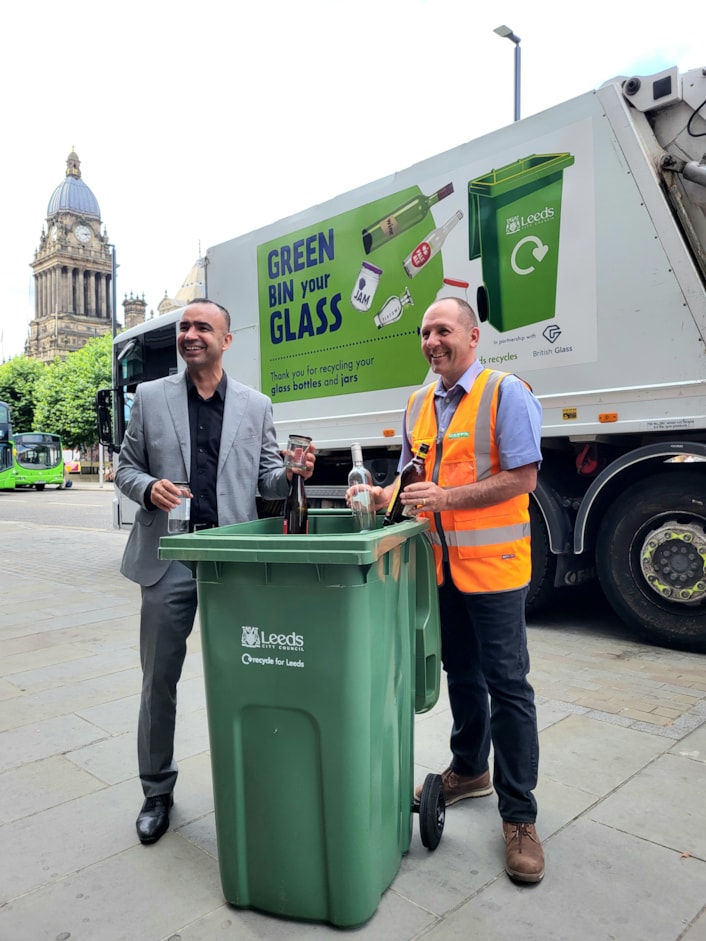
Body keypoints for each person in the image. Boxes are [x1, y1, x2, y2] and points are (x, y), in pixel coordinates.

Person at [115, 298, 315, 845]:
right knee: (159, 681)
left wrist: (292, 473)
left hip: (234, 562)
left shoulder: (255, 405)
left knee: (252, 674)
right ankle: (156, 791)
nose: (190, 334)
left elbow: (268, 479)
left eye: (203, 326)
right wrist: (146, 487)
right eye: (184, 326)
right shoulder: (150, 398)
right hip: (169, 557)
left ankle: (258, 783)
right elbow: (125, 466)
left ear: (227, 340)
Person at [360, 296, 544, 882]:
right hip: (440, 572)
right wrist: (380, 497)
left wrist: (446, 499)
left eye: (443, 330)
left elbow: (523, 477)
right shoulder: (418, 401)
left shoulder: (504, 392)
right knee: (461, 676)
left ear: (472, 335)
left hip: (494, 571)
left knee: (508, 686)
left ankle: (520, 817)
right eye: (423, 333)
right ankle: (470, 769)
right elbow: (412, 480)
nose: (431, 341)